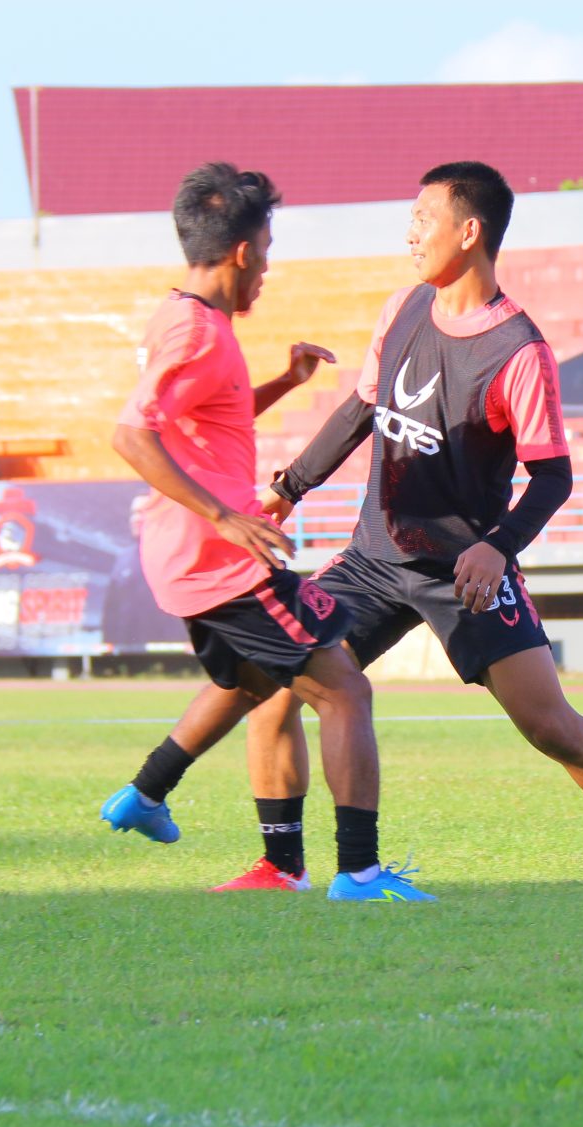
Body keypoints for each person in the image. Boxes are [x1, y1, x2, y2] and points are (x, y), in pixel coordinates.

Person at [244, 162, 583, 890]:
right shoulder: (403, 310)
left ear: (470, 230)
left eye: (425, 215)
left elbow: (553, 477)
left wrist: (496, 548)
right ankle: (285, 867)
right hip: (372, 557)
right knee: (277, 676)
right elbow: (361, 410)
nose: (411, 230)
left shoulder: (519, 349)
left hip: (465, 573)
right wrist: (289, 487)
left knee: (551, 726)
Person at [98, 161, 430, 903]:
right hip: (218, 555)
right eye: (269, 251)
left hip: (185, 555)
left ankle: (145, 795)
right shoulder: (196, 331)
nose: (268, 270)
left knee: (249, 680)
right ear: (245, 251)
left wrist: (283, 384)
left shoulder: (183, 318)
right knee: (345, 692)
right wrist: (225, 517)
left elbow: (201, 424)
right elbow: (130, 434)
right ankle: (360, 874)